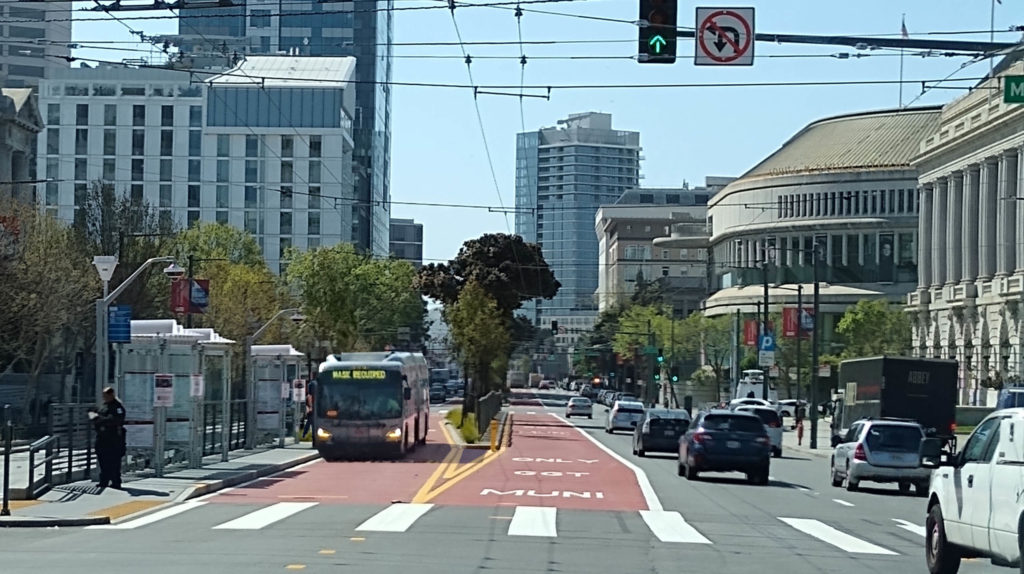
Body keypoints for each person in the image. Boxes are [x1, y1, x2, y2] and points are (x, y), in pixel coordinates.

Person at [89, 386, 126, 489]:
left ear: (111, 395)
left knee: (114, 461)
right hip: (102, 438)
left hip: (114, 438)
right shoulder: (103, 406)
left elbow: (114, 420)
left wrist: (99, 419)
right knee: (103, 460)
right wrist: (94, 417)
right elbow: (94, 416)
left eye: (106, 395)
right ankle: (103, 481)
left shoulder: (118, 407)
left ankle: (115, 482)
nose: (104, 397)